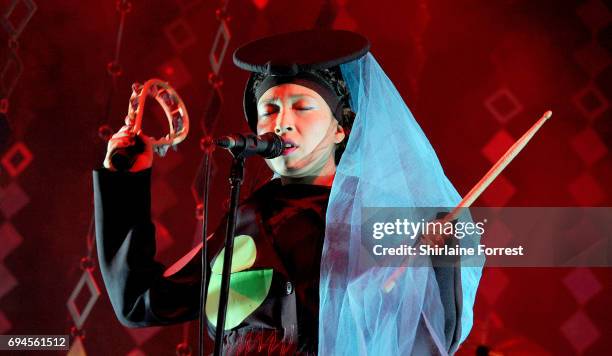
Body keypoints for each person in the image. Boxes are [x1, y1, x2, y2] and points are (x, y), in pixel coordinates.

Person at [94, 29, 482, 355]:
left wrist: (446, 253)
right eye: (270, 111)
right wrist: (125, 181)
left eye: (303, 107)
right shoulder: (247, 219)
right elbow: (141, 301)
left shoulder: (377, 216)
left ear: (340, 129)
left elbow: (432, 337)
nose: (282, 124)